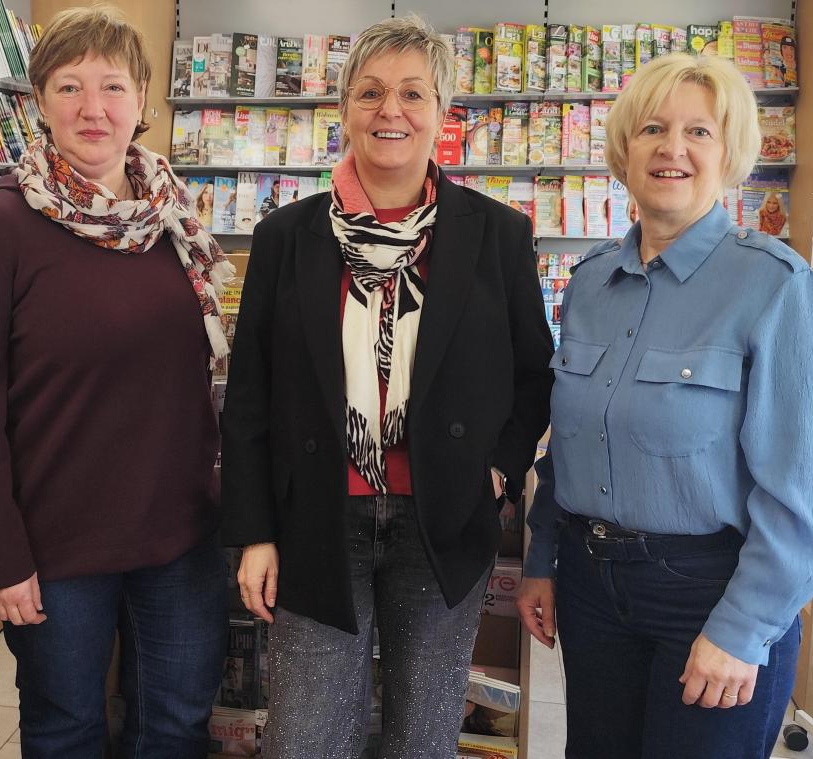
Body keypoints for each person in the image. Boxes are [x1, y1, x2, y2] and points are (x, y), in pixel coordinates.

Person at [221, 16, 552, 759]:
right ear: (343, 107)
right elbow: (249, 396)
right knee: (305, 735)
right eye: (369, 92)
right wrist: (253, 531)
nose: (389, 110)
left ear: (441, 112)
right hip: (315, 517)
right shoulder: (285, 236)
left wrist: (496, 468)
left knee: (422, 737)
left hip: (442, 520)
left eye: (412, 92)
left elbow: (533, 373)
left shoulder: (497, 234)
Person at [0, 7, 229, 758]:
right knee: (66, 730)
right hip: (53, 547)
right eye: (69, 86)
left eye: (112, 86)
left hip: (181, 534)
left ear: (144, 101)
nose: (93, 108)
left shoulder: (174, 218)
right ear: (38, 101)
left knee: (177, 725)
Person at [515, 53, 813, 759]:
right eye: (652, 128)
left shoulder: (773, 285)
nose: (671, 148)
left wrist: (740, 627)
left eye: (698, 131)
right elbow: (565, 445)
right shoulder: (591, 283)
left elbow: (801, 495)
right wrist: (541, 558)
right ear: (623, 148)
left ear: (728, 155)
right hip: (593, 589)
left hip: (711, 590)